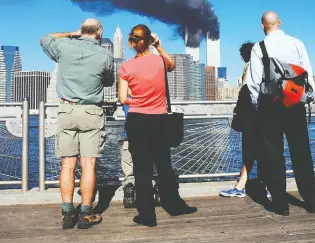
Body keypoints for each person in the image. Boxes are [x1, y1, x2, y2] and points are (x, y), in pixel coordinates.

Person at [118, 24, 197, 227]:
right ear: (148, 40)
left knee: (142, 170)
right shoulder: (160, 61)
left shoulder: (126, 66)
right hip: (159, 120)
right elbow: (172, 65)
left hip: (137, 120)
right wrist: (160, 46)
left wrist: (137, 101)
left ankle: (147, 216)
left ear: (132, 42)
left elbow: (122, 98)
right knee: (164, 165)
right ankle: (174, 206)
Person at [40, 18, 114, 229]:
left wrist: (71, 34)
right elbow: (108, 81)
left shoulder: (64, 46)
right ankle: (85, 214)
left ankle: (67, 213)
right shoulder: (105, 55)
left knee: (67, 164)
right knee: (88, 163)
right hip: (92, 111)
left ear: (81, 30)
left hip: (67, 110)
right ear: (99, 32)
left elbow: (45, 39)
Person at [247, 11, 315, 216]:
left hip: (270, 107)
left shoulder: (258, 47)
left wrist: (258, 106)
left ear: (263, 26)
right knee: (301, 152)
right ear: (279, 23)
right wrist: (307, 98)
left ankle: (280, 204)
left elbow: (253, 82)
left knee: (273, 154)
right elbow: (307, 71)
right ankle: (311, 200)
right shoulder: (296, 43)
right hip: (295, 104)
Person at [220, 42, 270, 199]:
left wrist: (238, 113)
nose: (241, 57)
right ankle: (267, 186)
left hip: (251, 116)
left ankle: (241, 186)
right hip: (266, 116)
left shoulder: (250, 66)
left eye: (242, 55)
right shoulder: (265, 65)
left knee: (249, 151)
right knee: (265, 150)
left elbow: (246, 91)